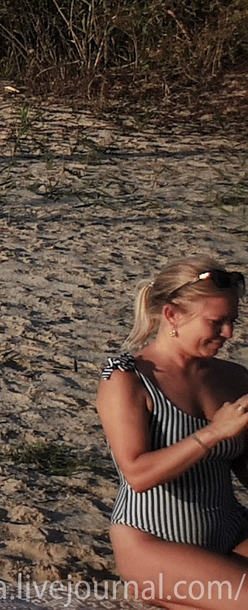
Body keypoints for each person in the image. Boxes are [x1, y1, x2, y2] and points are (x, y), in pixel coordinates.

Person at [98, 259, 248, 610]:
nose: (228, 333)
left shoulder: (233, 377)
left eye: (232, 322)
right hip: (153, 545)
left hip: (230, 535)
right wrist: (213, 433)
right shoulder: (127, 378)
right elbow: (137, 474)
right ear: (171, 316)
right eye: (216, 322)